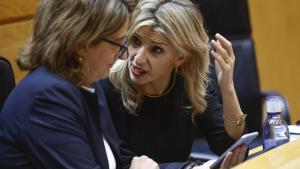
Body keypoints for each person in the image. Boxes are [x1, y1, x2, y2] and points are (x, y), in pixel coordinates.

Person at [0, 0, 159, 169]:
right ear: (82, 43)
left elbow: (114, 160)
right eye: (118, 44)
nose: (123, 56)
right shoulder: (47, 99)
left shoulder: (86, 81)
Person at [100, 0, 248, 168]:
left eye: (156, 49)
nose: (138, 58)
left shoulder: (190, 84)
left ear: (180, 58)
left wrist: (228, 88)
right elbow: (117, 160)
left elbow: (230, 142)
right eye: (135, 41)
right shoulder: (107, 84)